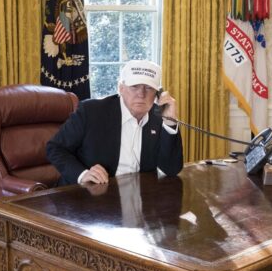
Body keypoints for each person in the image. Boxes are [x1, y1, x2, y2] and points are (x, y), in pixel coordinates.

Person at [46, 59, 183, 185]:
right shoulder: (91, 111)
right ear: (121, 88)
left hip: (137, 194)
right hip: (88, 193)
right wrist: (82, 174)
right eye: (134, 86)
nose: (141, 94)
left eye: (148, 88)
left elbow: (171, 169)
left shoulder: (158, 117)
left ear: (158, 94)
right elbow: (55, 148)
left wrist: (169, 122)